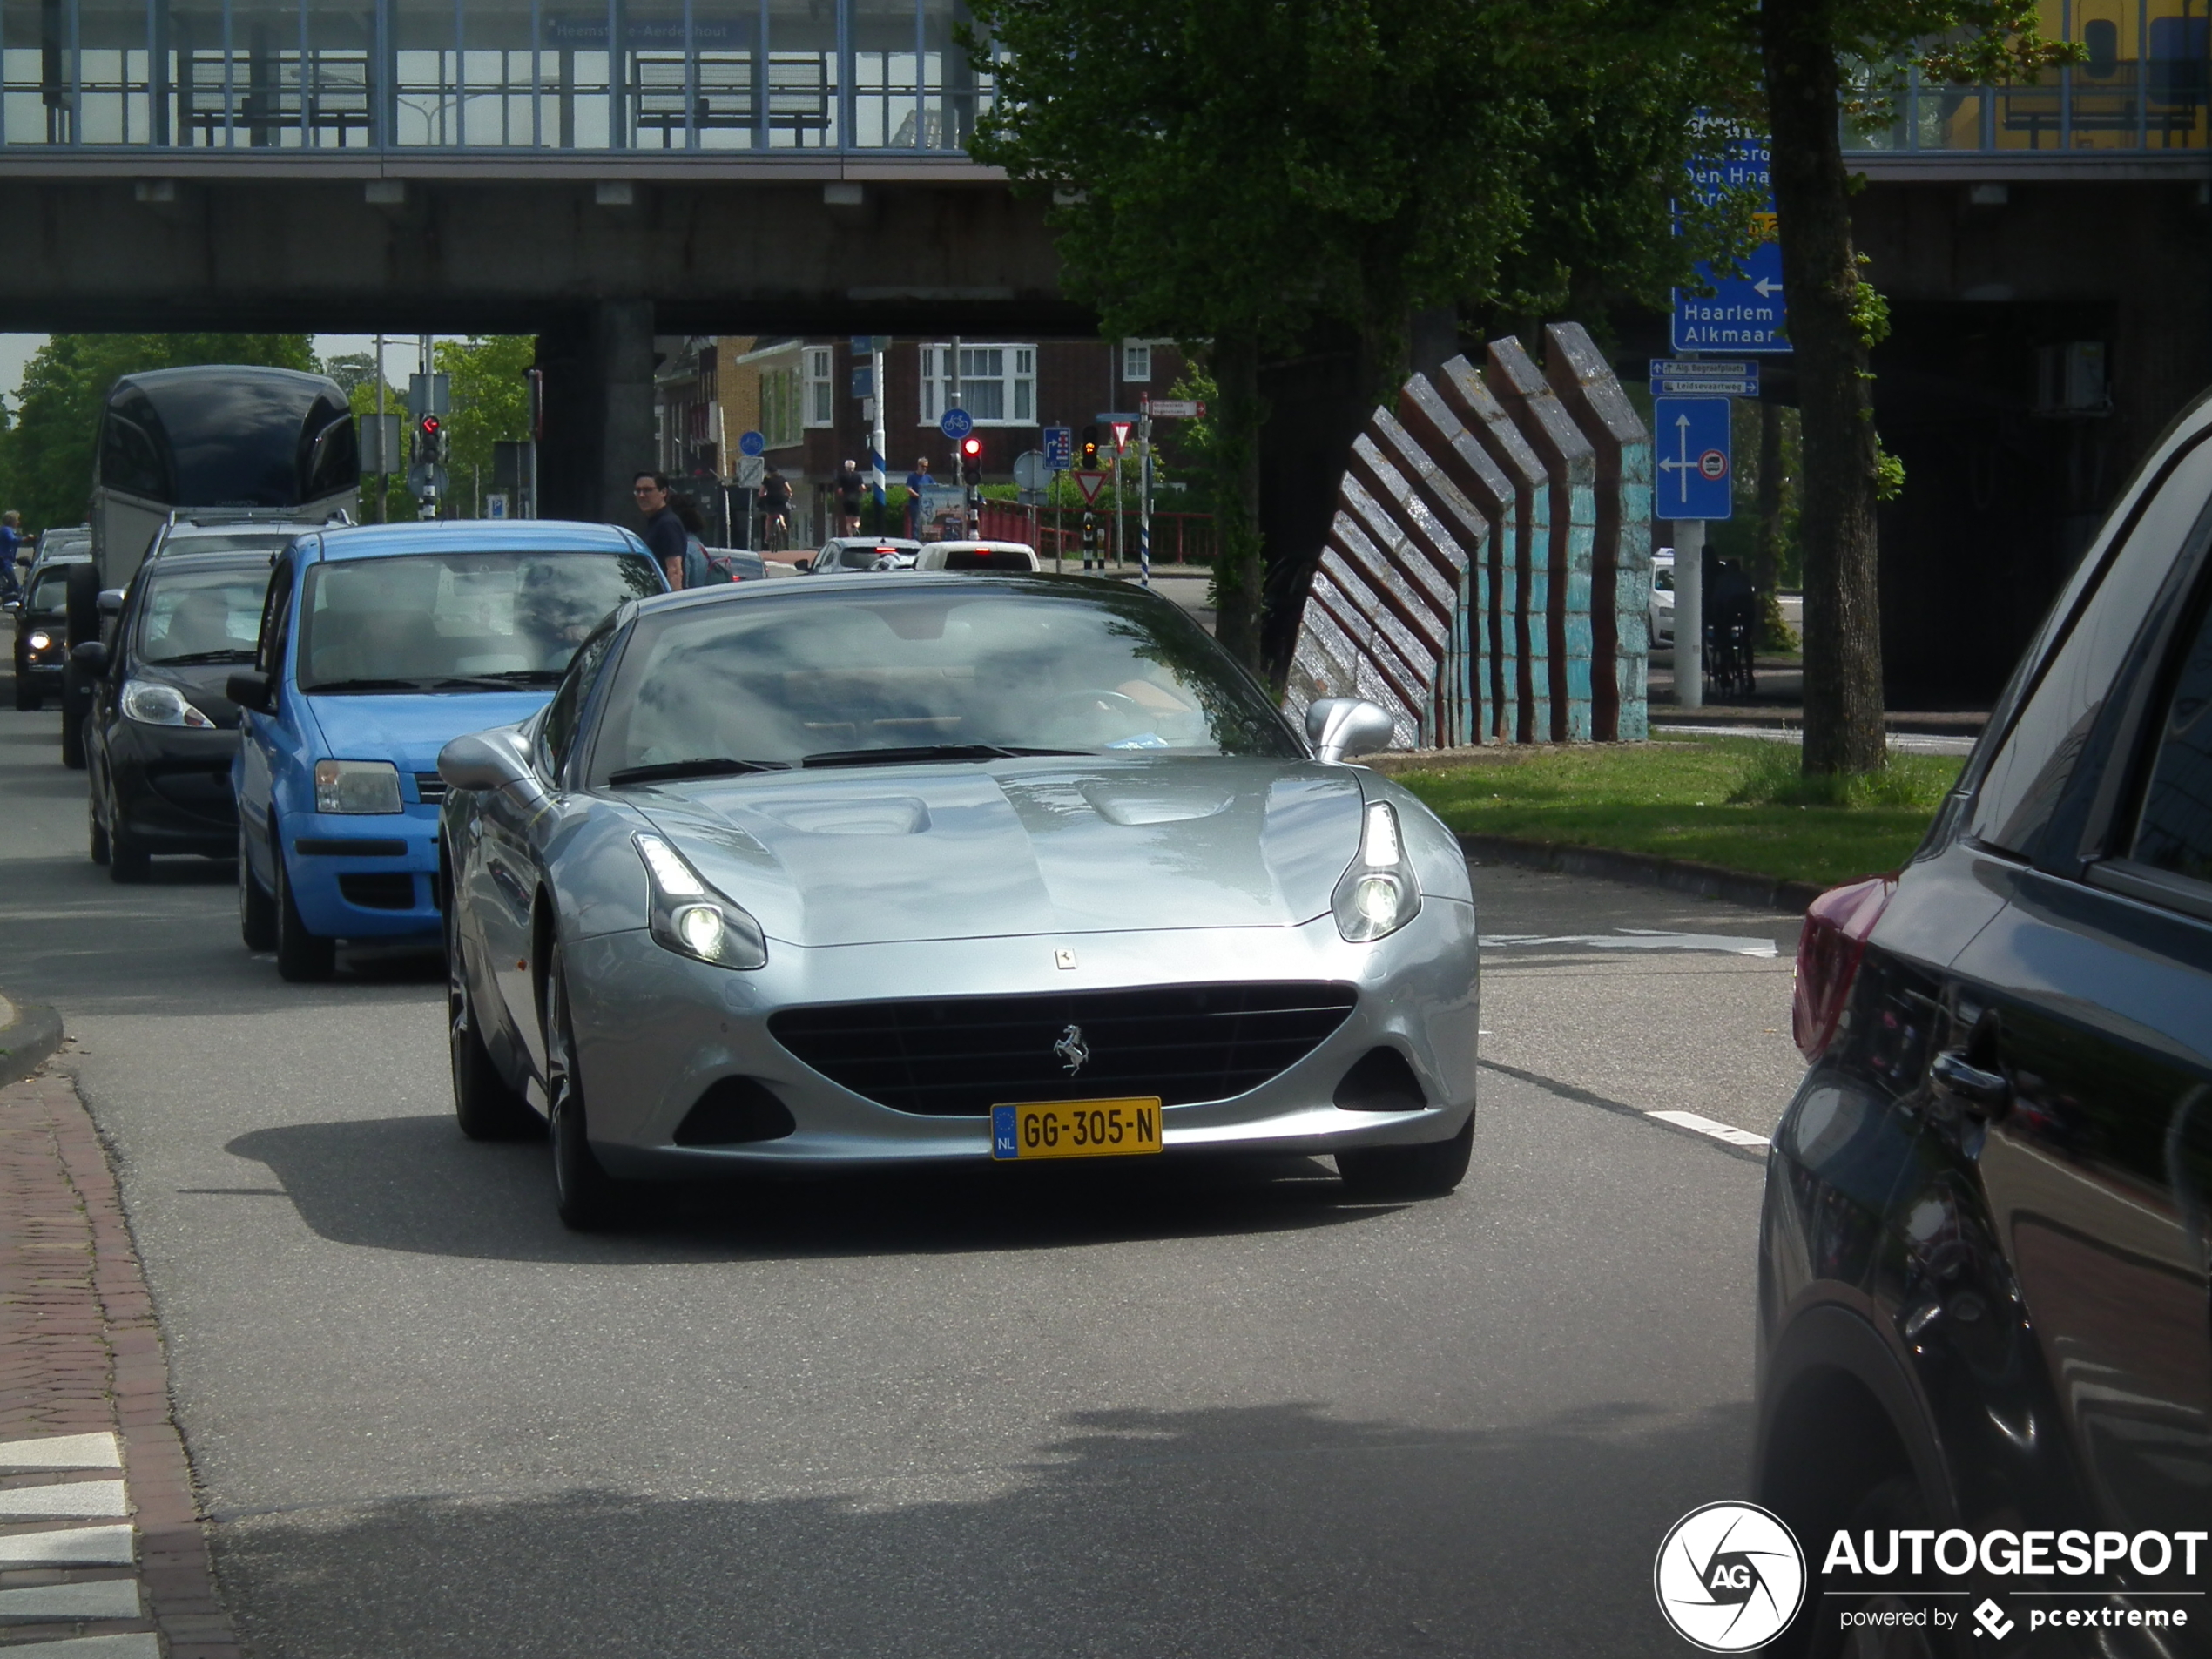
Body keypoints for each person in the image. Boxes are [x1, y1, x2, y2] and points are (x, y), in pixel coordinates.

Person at [633, 471, 687, 589]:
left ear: (663, 492)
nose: (641, 495)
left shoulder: (667, 523)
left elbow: (675, 570)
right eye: (638, 490)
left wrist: (673, 603)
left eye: (648, 490)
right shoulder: (655, 522)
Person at [759, 468, 792, 551]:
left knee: (769, 517)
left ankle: (767, 537)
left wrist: (762, 497)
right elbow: (789, 490)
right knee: (780, 513)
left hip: (770, 499)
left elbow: (761, 492)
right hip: (781, 499)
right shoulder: (782, 479)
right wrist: (788, 496)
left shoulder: (767, 480)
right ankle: (783, 525)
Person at [903, 457, 932, 540]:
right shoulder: (912, 477)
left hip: (926, 506)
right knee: (916, 525)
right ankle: (915, 541)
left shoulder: (928, 478)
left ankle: (925, 539)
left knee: (926, 524)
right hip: (915, 505)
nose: (924, 468)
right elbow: (908, 489)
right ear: (918, 466)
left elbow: (934, 487)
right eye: (923, 466)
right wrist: (919, 496)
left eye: (926, 467)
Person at [835, 460, 865, 536]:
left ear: (846, 467)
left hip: (846, 499)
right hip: (856, 499)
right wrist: (861, 492)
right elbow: (862, 487)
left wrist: (843, 495)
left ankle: (850, 536)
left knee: (848, 521)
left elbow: (840, 490)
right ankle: (855, 526)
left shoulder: (842, 476)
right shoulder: (858, 476)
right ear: (854, 467)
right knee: (857, 520)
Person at [0, 512, 21, 604]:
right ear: (12, 521)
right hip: (4, 561)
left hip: (5, 560)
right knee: (13, 583)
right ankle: (15, 599)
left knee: (6, 583)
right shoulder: (7, 530)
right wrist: (26, 539)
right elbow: (12, 540)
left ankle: (6, 598)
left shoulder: (4, 529)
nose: (18, 522)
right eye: (17, 520)